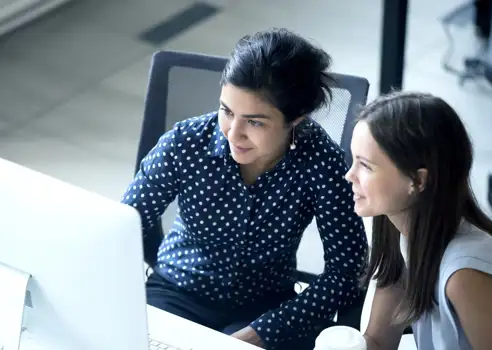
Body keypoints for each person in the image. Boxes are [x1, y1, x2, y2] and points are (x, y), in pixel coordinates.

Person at [121, 28, 368, 350]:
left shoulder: (322, 163)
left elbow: (347, 271)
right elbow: (123, 227)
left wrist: (259, 333)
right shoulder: (185, 143)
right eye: (227, 111)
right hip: (176, 290)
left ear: (296, 120)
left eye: (255, 122)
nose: (233, 134)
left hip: (265, 307)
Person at [344, 91, 492, 350]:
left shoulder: (465, 277)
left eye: (365, 166)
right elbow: (379, 342)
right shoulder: (398, 228)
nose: (349, 175)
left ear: (418, 181)